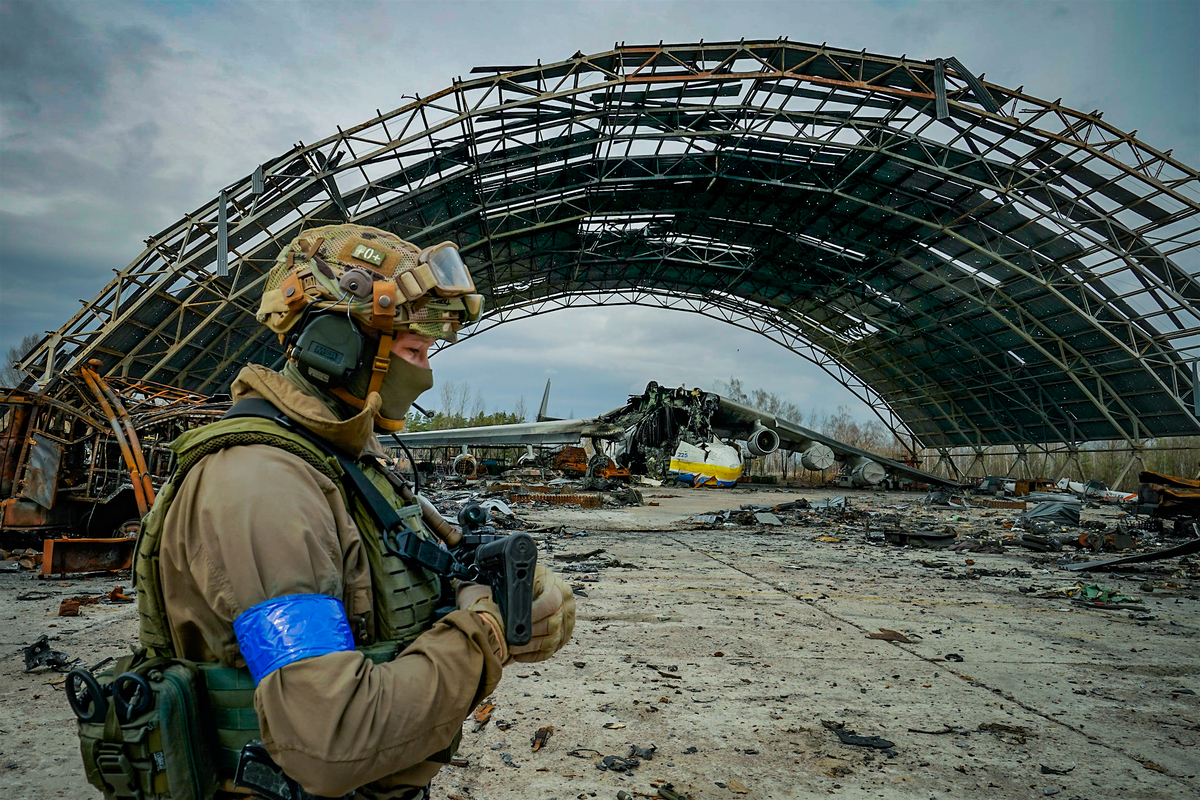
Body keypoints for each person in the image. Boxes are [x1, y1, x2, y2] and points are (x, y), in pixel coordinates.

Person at [134, 224, 575, 799]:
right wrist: (487, 634)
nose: (427, 373)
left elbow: (442, 570)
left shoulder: (345, 465)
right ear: (336, 345)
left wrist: (527, 595)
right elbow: (331, 739)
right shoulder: (263, 489)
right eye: (414, 350)